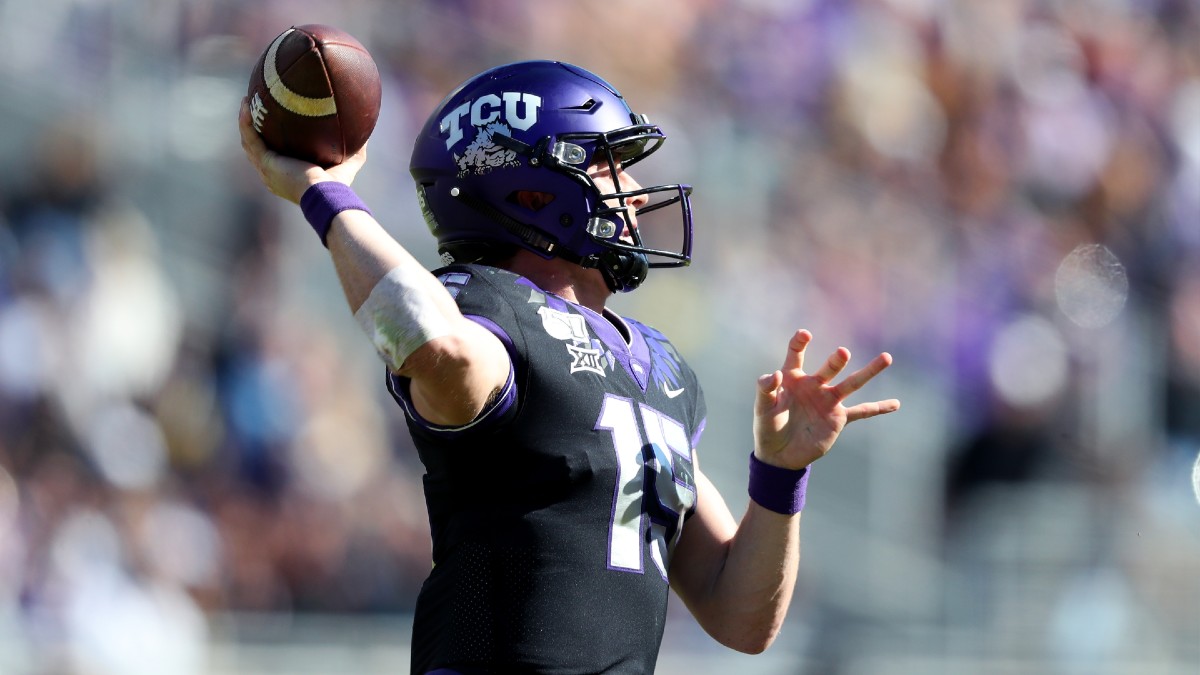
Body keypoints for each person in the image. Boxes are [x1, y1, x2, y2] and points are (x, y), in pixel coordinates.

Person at [238, 59, 900, 674]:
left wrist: (779, 478)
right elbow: (435, 347)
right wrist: (320, 194)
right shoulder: (485, 304)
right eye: (610, 166)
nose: (637, 194)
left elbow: (741, 614)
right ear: (530, 193)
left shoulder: (662, 368)